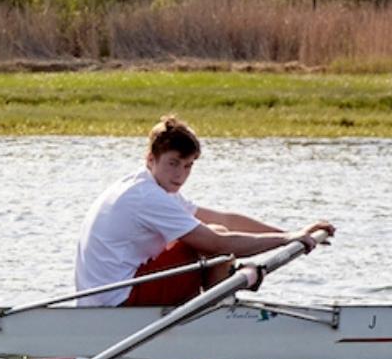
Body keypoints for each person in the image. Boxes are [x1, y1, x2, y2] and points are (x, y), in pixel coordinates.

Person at [73, 114, 334, 306]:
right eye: (173, 163)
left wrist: (292, 233)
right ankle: (219, 317)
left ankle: (217, 310)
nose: (180, 175)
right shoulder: (147, 196)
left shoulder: (148, 184)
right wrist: (285, 240)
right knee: (216, 249)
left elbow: (224, 219)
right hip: (118, 301)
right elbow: (216, 242)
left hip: (107, 294)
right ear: (150, 159)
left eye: (187, 166)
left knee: (216, 232)